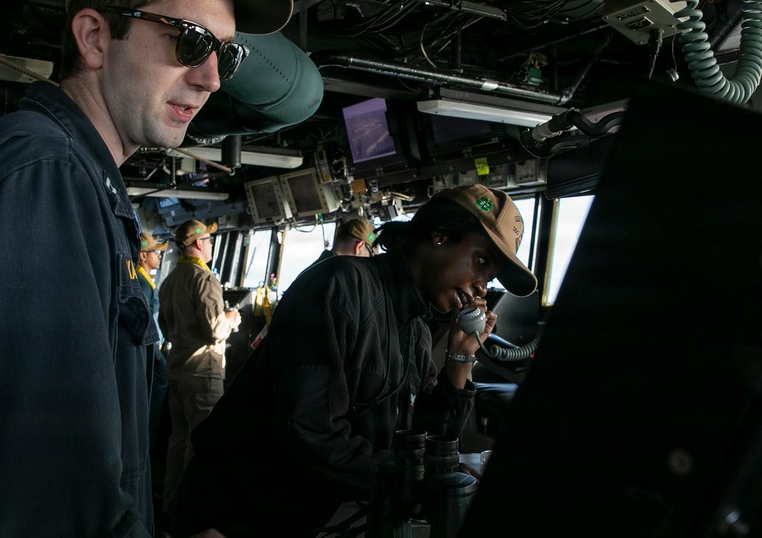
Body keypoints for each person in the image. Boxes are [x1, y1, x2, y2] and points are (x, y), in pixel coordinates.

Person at [0, 0, 292, 537]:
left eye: (226, 53)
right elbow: (48, 503)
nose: (212, 78)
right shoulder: (39, 178)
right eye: (189, 41)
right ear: (95, 38)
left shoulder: (67, 176)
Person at [168, 183, 537, 537]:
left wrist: (460, 359)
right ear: (439, 235)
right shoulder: (339, 286)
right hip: (235, 519)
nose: (481, 288)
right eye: (480, 262)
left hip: (311, 516)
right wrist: (414, 480)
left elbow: (423, 440)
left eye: (490, 278)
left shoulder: (416, 330)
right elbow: (307, 430)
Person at [157, 219, 242, 513]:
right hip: (203, 371)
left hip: (177, 370)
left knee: (178, 441)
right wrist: (230, 319)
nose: (211, 245)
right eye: (209, 240)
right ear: (198, 243)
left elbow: (164, 327)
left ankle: (171, 507)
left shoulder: (169, 281)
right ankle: (195, 512)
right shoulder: (203, 278)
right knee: (203, 443)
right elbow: (215, 330)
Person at [137, 232, 169, 455]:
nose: (159, 256)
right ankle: (148, 450)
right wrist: (155, 353)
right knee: (153, 399)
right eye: (154, 252)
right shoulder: (141, 283)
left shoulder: (146, 281)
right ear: (142, 255)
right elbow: (145, 319)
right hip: (150, 350)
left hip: (152, 348)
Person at [314, 216, 378, 263]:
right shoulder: (345, 274)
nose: (367, 264)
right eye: (369, 257)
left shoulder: (317, 266)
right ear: (359, 246)